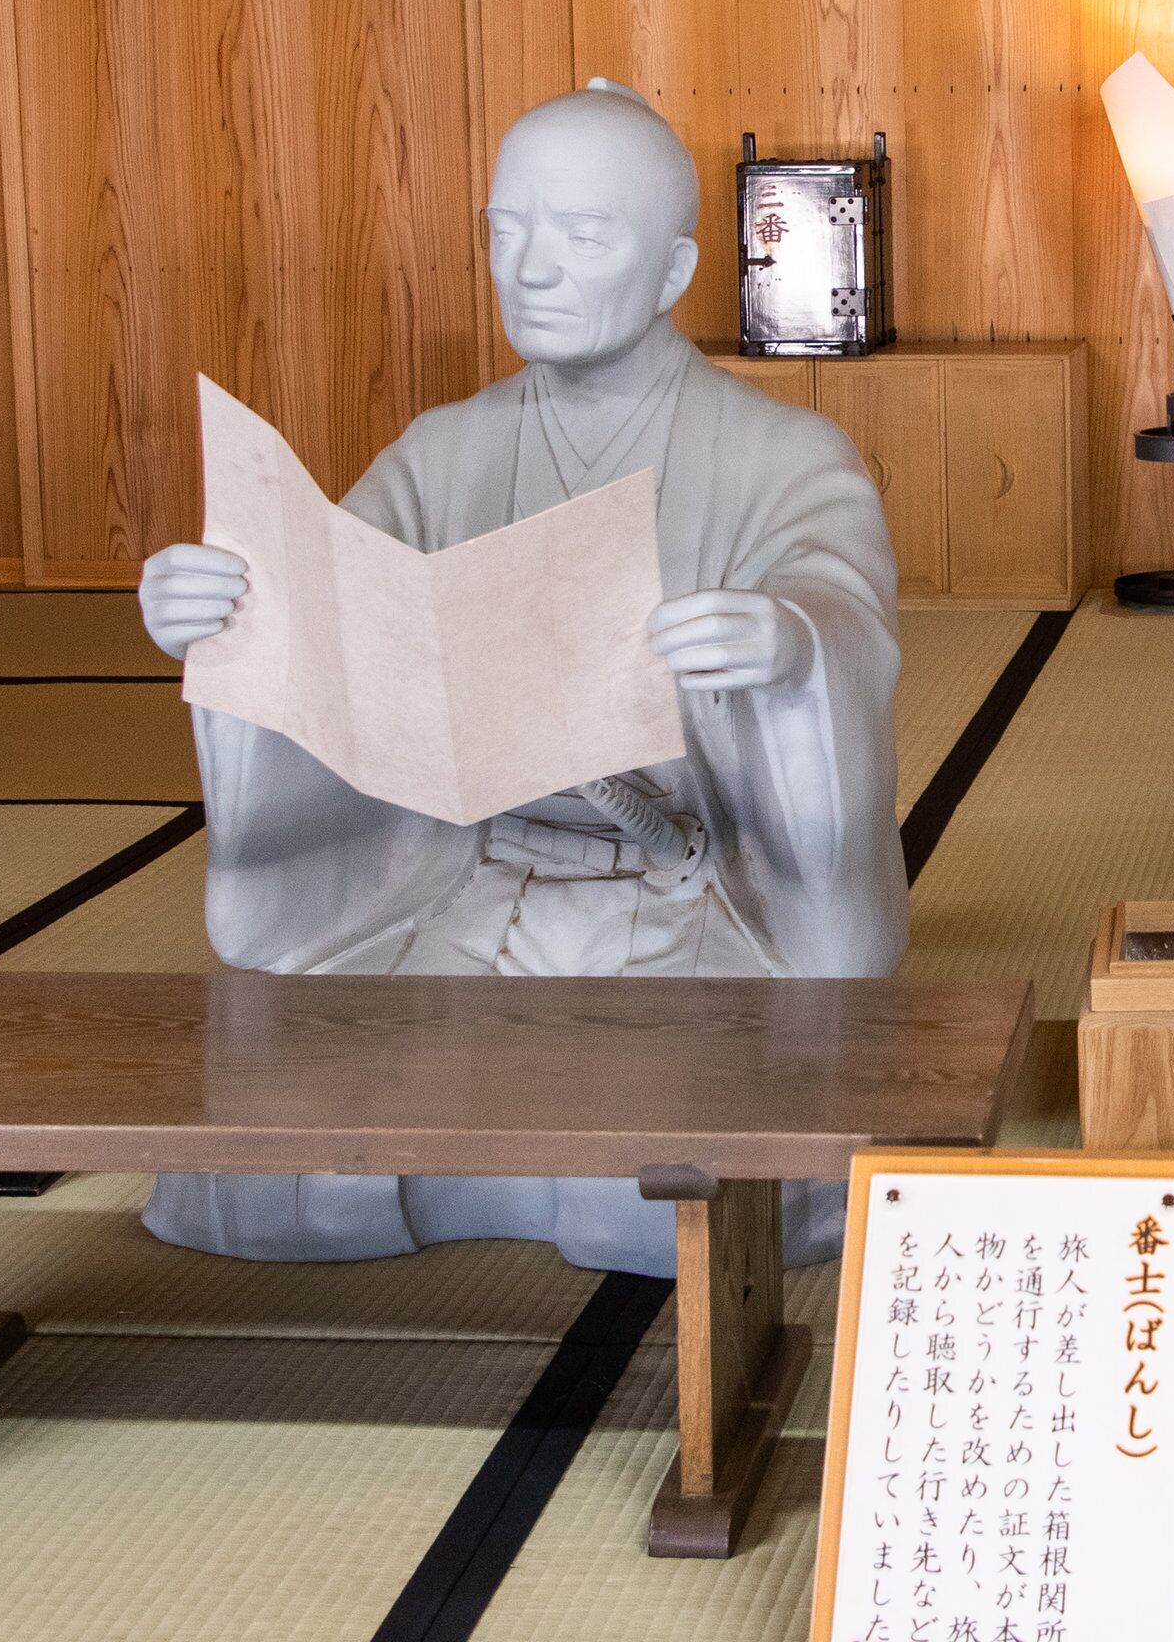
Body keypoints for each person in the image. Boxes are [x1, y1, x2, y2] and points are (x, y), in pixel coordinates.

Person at [131, 79, 903, 1276]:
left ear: (672, 269)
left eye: (584, 235)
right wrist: (223, 611)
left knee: (684, 1190)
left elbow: (837, 607)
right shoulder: (445, 452)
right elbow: (327, 618)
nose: (530, 268)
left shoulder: (779, 457)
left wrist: (789, 648)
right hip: (464, 886)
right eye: (506, 229)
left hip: (686, 900)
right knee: (258, 1176)